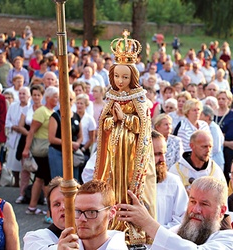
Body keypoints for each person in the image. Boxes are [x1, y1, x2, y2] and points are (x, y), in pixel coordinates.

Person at [92, 31, 156, 246]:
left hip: (130, 151)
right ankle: (111, 220)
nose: (120, 81)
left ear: (133, 77)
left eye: (125, 77)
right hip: (113, 149)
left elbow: (144, 128)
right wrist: (112, 121)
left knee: (126, 185)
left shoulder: (139, 98)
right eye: (117, 76)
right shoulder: (111, 96)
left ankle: (129, 223)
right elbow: (103, 124)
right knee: (111, 181)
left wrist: (126, 119)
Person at [116, 176, 233, 249]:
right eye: (192, 201)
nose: (196, 210)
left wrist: (148, 223)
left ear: (222, 211)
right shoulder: (176, 231)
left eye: (204, 204)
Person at [58, 180, 127, 250]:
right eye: (78, 211)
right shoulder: (63, 247)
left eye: (91, 212)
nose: (81, 219)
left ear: (112, 212)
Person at [22, 86, 59, 215]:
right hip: (41, 149)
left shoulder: (51, 111)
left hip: (46, 149)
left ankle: (33, 206)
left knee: (39, 178)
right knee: (47, 179)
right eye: (55, 96)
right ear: (48, 98)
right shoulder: (41, 111)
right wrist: (26, 149)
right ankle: (50, 210)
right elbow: (31, 131)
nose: (57, 99)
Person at [23, 177, 80, 249]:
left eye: (68, 202)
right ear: (50, 212)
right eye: (57, 204)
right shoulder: (35, 238)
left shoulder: (90, 238)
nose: (63, 207)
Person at [15, 85, 44, 204]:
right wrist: (29, 134)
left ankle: (42, 196)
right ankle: (22, 194)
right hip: (26, 141)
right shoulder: (27, 109)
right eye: (34, 95)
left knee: (41, 172)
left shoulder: (45, 110)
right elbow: (20, 125)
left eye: (38, 95)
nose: (36, 97)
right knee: (25, 169)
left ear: (42, 96)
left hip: (40, 143)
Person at [152, 130, 188, 228]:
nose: (163, 159)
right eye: (157, 154)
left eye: (164, 153)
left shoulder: (173, 182)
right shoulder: (127, 184)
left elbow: (181, 219)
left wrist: (156, 233)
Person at [48, 91, 83, 180]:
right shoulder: (55, 116)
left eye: (70, 99)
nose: (68, 102)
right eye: (65, 99)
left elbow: (80, 136)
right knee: (58, 180)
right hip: (57, 151)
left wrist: (77, 144)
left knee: (74, 180)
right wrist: (70, 143)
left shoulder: (76, 116)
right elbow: (51, 138)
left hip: (72, 152)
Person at [5, 86, 30, 186]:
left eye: (24, 94)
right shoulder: (13, 106)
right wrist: (14, 127)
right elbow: (7, 121)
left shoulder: (30, 107)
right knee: (13, 160)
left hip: (25, 137)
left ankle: (25, 183)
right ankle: (16, 181)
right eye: (20, 93)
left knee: (25, 162)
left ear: (28, 96)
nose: (22, 96)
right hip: (14, 135)